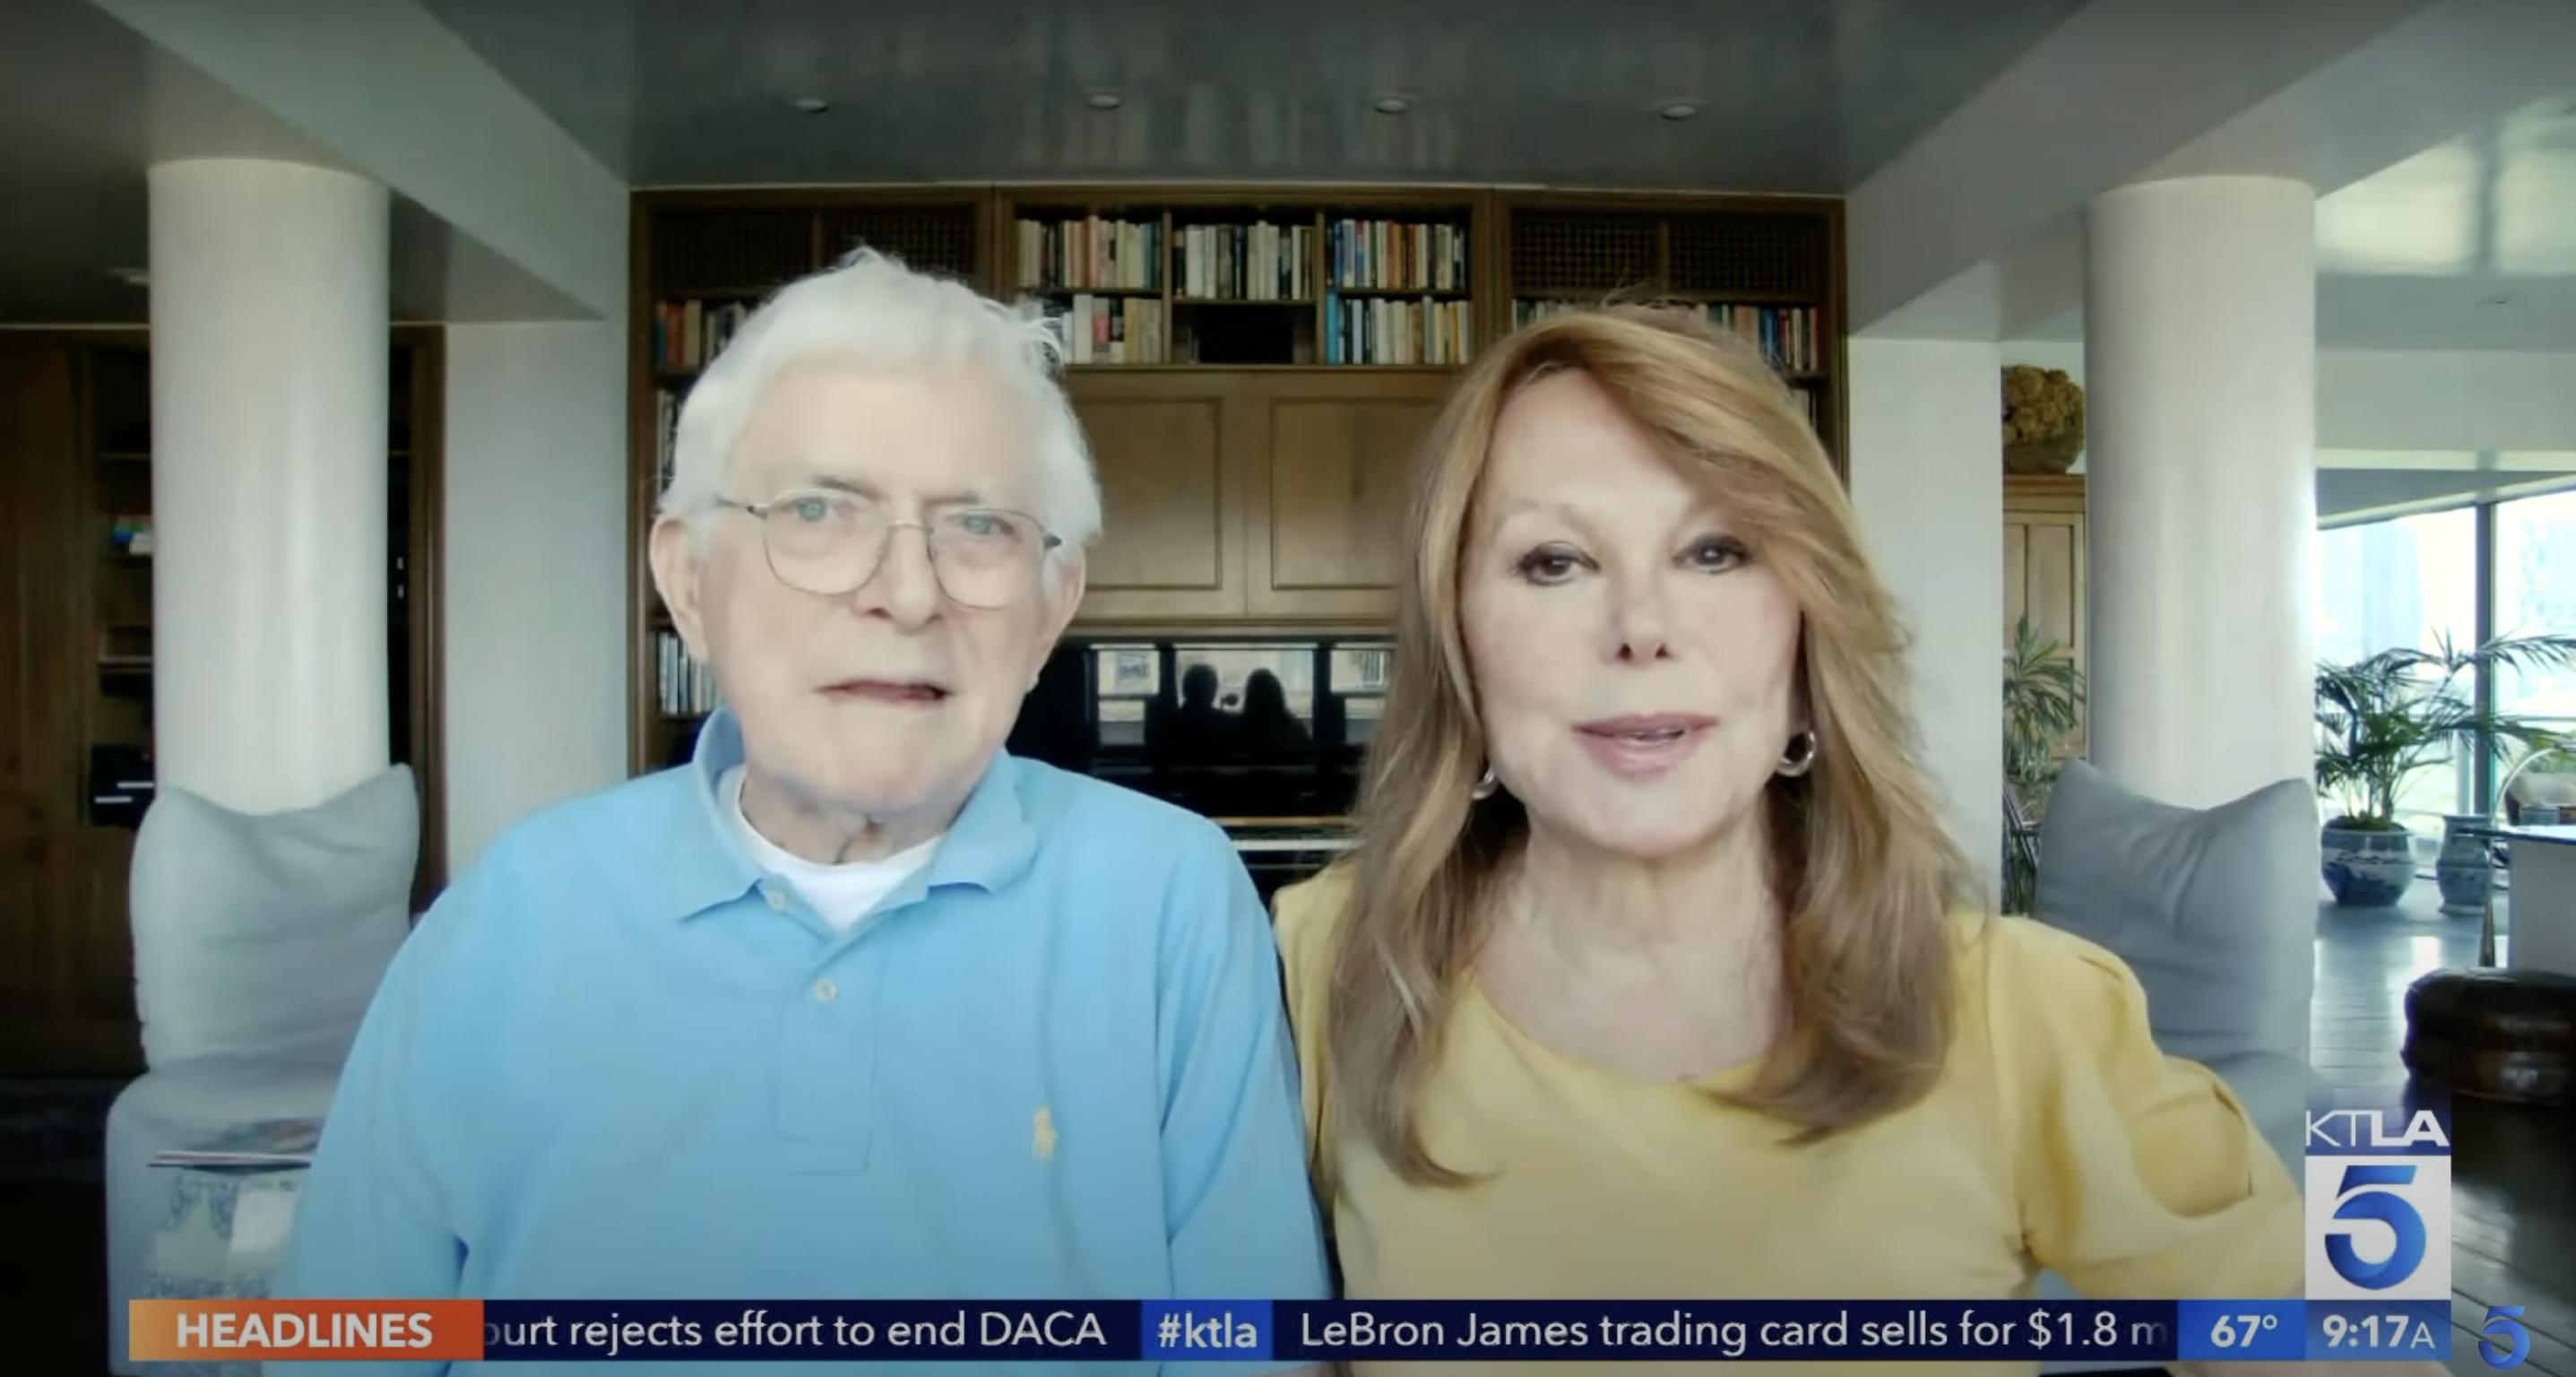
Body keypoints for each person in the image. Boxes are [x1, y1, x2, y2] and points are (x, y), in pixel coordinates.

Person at [1272, 307, 2389, 1377]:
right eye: (1554, 562)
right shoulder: (1321, 965)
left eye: (1716, 551)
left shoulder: (2022, 1009)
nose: (1642, 630)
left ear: (1810, 639)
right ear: (1459, 646)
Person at [277, 251, 1328, 1372]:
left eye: (978, 527)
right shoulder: (513, 913)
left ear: (1049, 608)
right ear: (690, 584)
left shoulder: (1168, 899)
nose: (908, 593)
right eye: (821, 511)